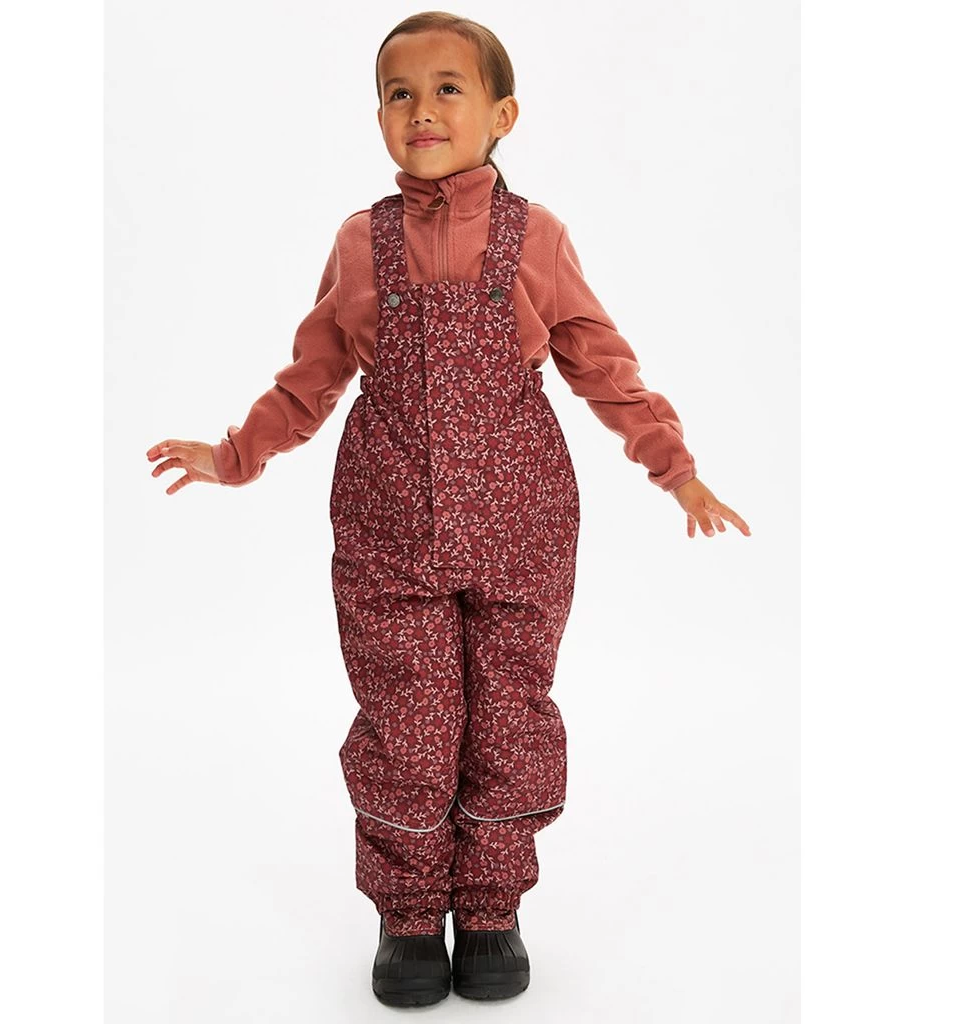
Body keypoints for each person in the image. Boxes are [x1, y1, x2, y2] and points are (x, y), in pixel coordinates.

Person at [146, 10, 751, 1008]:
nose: (421, 109)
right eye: (399, 92)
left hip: (522, 525)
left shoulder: (535, 237)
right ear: (377, 114)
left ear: (502, 114)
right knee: (407, 722)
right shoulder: (360, 242)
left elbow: (600, 361)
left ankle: (492, 908)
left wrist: (673, 466)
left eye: (448, 89)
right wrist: (235, 453)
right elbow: (312, 373)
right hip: (388, 524)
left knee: (508, 717)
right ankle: (409, 916)